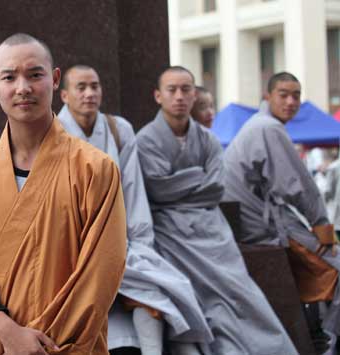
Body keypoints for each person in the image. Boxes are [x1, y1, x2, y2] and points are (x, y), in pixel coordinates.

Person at [0, 34, 127, 355]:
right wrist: (10, 333)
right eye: (9, 77)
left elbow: (101, 273)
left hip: (68, 347)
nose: (23, 87)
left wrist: (42, 347)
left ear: (55, 80)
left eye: (35, 74)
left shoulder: (95, 169)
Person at [136, 66, 298, 355]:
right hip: (171, 232)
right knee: (201, 301)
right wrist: (196, 177)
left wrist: (180, 184)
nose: (180, 97)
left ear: (194, 94)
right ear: (158, 96)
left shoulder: (208, 139)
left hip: (213, 230)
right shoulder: (146, 139)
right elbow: (158, 189)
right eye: (172, 90)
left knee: (243, 295)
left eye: (186, 90)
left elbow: (215, 187)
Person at [58, 65, 212, 355]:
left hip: (121, 242)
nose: (90, 93)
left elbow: (133, 191)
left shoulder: (119, 129)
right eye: (81, 87)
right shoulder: (52, 133)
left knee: (161, 287)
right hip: (73, 249)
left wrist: (140, 244)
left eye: (95, 86)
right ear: (64, 94)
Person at [223, 71, 340, 353]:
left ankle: (317, 333)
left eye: (296, 95)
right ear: (268, 97)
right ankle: (330, 344)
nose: (291, 101)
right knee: (337, 269)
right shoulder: (267, 128)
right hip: (261, 229)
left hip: (254, 225)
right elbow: (297, 185)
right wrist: (322, 224)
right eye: (283, 95)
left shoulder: (261, 125)